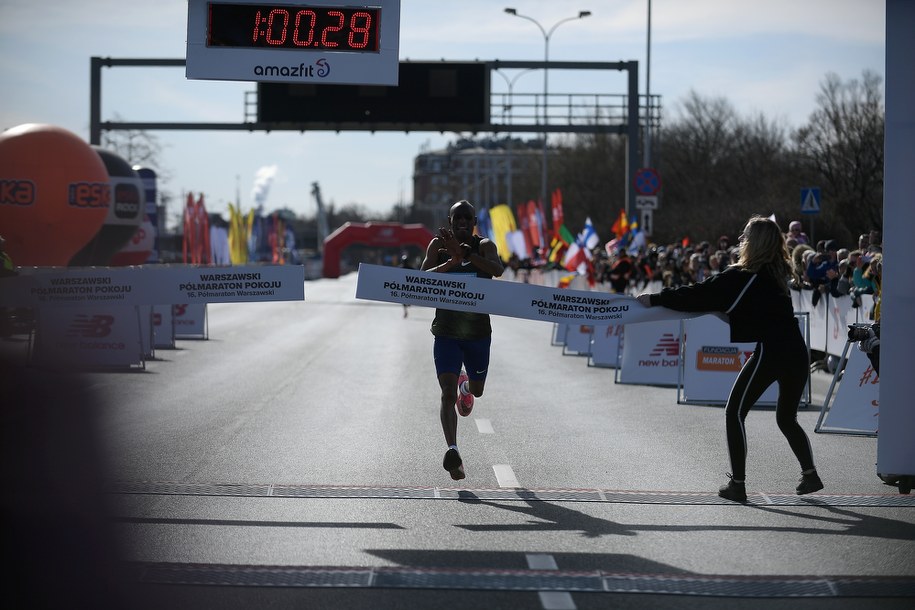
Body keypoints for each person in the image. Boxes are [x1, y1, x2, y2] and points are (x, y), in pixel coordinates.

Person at [637, 215, 823, 502]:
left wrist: (656, 299)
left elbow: (699, 293)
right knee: (786, 418)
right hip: (795, 351)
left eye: (746, 235)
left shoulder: (743, 276)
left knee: (734, 412)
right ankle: (810, 474)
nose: (741, 240)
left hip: (773, 351)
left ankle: (738, 484)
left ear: (756, 241)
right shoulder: (774, 276)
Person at [421, 200, 504, 480]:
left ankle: (466, 386)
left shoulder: (485, 245)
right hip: (445, 331)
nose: (462, 223)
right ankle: (453, 452)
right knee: (446, 393)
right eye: (458, 218)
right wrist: (450, 263)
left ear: (474, 222)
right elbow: (419, 280)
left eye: (468, 218)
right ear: (450, 220)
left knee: (478, 390)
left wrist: (468, 258)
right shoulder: (437, 245)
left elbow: (497, 270)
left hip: (478, 333)